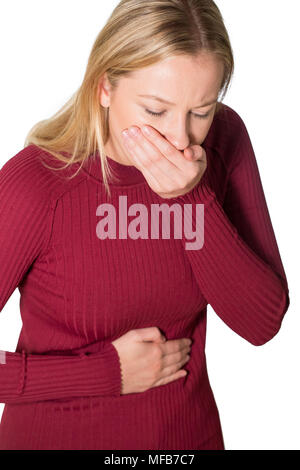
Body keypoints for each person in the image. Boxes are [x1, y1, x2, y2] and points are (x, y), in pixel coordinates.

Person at [0, 0, 289, 450]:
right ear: (104, 88)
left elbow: (262, 323)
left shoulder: (225, 141)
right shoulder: (37, 185)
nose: (180, 138)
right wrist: (103, 374)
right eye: (156, 110)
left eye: (202, 111)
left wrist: (193, 197)